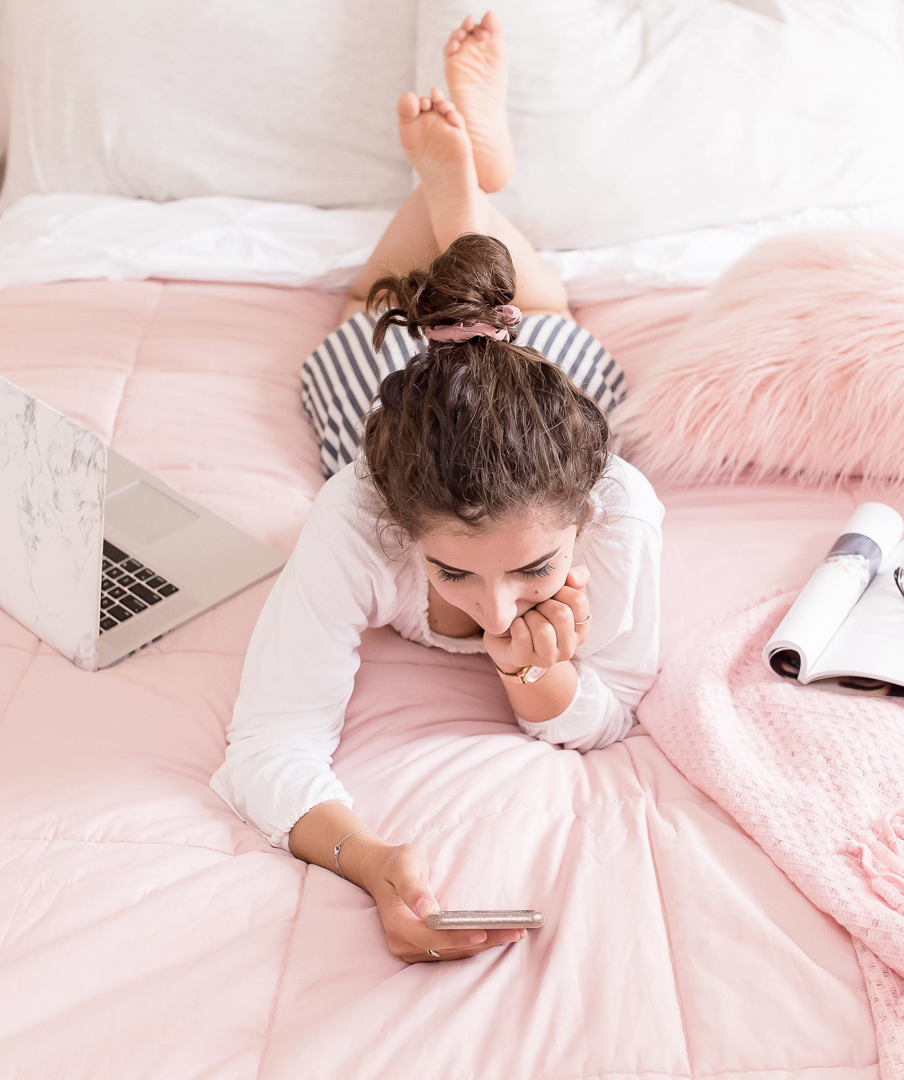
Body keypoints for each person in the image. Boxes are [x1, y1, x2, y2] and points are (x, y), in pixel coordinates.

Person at [210, 11, 663, 965]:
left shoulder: (616, 505)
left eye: (535, 566)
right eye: (453, 574)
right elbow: (269, 739)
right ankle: (464, 191)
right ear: (397, 524)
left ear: (583, 517)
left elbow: (615, 698)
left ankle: (455, 188)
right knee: (367, 321)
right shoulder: (358, 511)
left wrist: (534, 678)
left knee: (515, 314)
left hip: (541, 382)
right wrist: (371, 862)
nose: (497, 610)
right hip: (403, 397)